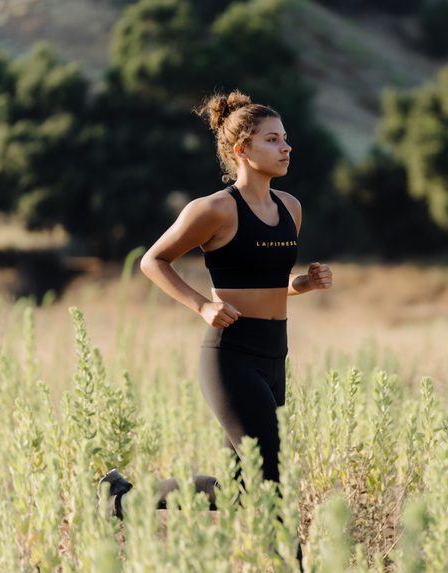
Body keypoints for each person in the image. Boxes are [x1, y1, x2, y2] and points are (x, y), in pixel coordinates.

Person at [99, 90, 332, 568]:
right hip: (231, 358)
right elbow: (153, 261)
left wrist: (302, 284)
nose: (286, 147)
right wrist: (202, 305)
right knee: (272, 480)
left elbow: (263, 281)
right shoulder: (214, 210)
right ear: (242, 149)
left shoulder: (291, 206)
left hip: (275, 356)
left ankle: (122, 500)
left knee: (240, 490)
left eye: (286, 138)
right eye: (273, 139)